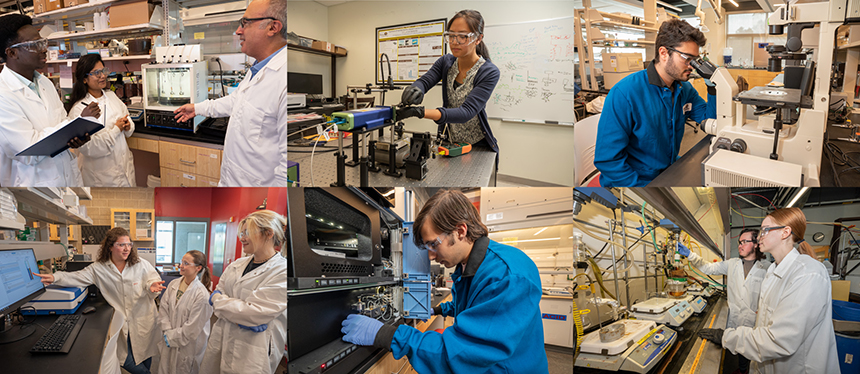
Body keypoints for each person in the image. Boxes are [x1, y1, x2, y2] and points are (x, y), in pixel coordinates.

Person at [340, 190, 548, 374]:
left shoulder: (507, 276)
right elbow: (474, 304)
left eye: (433, 244)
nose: (430, 257)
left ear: (460, 231)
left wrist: (385, 334)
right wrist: (439, 310)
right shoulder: (469, 266)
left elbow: (458, 355)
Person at [698, 208, 841, 374]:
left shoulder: (808, 273)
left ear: (785, 232)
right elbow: (765, 326)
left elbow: (779, 340)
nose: (759, 237)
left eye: (765, 230)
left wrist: (726, 337)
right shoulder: (773, 272)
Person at [173, 0, 287, 186]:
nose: (238, 31)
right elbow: (237, 101)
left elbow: (286, 169)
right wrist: (198, 108)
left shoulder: (282, 79)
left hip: (255, 188)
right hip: (231, 180)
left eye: (245, 23)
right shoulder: (258, 68)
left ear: (273, 27)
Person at [594, 18, 716, 187]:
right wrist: (646, 192)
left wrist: (713, 88)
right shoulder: (625, 93)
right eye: (687, 58)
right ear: (664, 53)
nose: (692, 67)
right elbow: (608, 161)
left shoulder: (684, 89)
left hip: (667, 171)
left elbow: (710, 121)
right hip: (634, 180)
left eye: (696, 60)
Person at [32, 227, 165, 374]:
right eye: (121, 245)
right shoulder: (99, 269)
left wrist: (152, 286)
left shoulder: (141, 264)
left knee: (145, 355)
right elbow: (76, 277)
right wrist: (54, 277)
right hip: (122, 322)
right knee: (125, 359)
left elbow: (153, 280)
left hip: (143, 319)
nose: (126, 249)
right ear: (110, 247)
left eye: (129, 244)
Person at [0, 14, 98, 186]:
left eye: (43, 42)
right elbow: (28, 150)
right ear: (12, 53)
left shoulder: (45, 82)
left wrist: (76, 134)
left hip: (67, 177)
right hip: (34, 183)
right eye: (35, 45)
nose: (44, 49)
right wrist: (74, 124)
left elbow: (62, 122)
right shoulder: (4, 93)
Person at [397, 10, 501, 153]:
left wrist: (420, 112)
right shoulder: (446, 62)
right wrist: (415, 88)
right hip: (448, 141)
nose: (454, 42)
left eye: (463, 37)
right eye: (451, 35)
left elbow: (467, 112)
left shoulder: (489, 72)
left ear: (478, 39)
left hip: (477, 146)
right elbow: (426, 81)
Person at [200, 210, 287, 374]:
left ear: (268, 234)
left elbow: (254, 313)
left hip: (254, 348)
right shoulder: (236, 265)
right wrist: (240, 315)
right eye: (242, 233)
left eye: (247, 233)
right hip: (223, 336)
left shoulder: (282, 271)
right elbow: (218, 293)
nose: (242, 238)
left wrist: (221, 302)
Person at [678, 229, 770, 374]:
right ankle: (737, 368)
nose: (740, 245)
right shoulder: (732, 264)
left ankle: (744, 369)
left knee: (748, 351)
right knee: (732, 349)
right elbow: (708, 268)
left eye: (745, 242)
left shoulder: (767, 268)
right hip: (733, 317)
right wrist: (690, 255)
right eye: (739, 242)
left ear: (756, 244)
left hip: (753, 320)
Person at [67, 53, 136, 187]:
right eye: (96, 73)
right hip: (101, 177)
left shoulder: (111, 96)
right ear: (84, 79)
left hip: (125, 169)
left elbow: (127, 117)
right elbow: (90, 148)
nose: (103, 76)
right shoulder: (79, 109)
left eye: (103, 71)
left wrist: (128, 126)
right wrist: (116, 130)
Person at [157, 250, 214, 374]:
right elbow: (163, 309)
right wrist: (167, 331)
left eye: (186, 263)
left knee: (183, 369)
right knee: (166, 367)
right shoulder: (173, 284)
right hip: (169, 338)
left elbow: (192, 328)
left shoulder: (201, 294)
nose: (181, 266)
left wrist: (171, 337)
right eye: (181, 262)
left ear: (198, 268)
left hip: (188, 345)